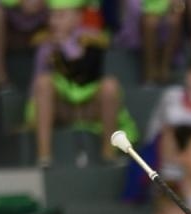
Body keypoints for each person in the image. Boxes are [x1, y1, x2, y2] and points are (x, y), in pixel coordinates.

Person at [28, 0, 125, 168]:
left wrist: (64, 45)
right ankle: (44, 155)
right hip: (62, 107)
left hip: (88, 106)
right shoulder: (45, 44)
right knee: (42, 83)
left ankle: (109, 152)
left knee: (110, 86)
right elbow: (37, 85)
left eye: (61, 16)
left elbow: (85, 75)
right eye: (51, 16)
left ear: (77, 17)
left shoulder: (92, 38)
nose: (54, 21)